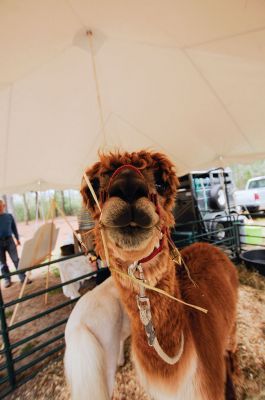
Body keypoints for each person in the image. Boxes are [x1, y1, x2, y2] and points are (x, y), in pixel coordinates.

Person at [0, 199, 27, 288]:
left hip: (10, 240)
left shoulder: (9, 216)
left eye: (1, 205)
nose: (0, 207)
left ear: (4, 206)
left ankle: (22, 277)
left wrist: (17, 239)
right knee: (2, 262)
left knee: (16, 259)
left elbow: (14, 228)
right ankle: (7, 279)